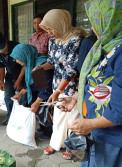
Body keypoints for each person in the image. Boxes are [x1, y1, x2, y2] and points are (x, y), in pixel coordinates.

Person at [59, 0, 122, 166]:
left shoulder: (120, 53)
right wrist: (75, 97)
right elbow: (98, 83)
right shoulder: (104, 47)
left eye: (95, 22)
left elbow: (120, 109)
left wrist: (91, 124)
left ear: (109, 21)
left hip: (113, 139)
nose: (93, 28)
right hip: (96, 131)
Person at [33, 9, 86, 159]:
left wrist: (57, 90)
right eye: (46, 29)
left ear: (60, 24)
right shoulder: (53, 40)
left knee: (73, 119)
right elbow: (51, 61)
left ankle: (73, 148)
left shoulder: (76, 39)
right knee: (59, 117)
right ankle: (56, 143)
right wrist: (40, 67)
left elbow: (71, 69)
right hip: (58, 84)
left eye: (51, 28)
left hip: (72, 87)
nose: (49, 32)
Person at [10, 43, 54, 139]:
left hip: (46, 93)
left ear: (26, 55)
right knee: (39, 111)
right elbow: (30, 83)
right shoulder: (30, 64)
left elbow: (45, 88)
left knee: (44, 111)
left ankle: (48, 133)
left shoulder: (40, 65)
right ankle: (43, 128)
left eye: (18, 58)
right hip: (39, 91)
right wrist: (21, 93)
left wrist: (37, 102)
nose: (17, 61)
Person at [0, 31, 26, 126]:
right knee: (8, 97)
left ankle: (23, 121)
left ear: (5, 39)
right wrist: (1, 81)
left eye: (1, 46)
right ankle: (10, 118)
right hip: (9, 75)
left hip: (23, 75)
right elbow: (0, 66)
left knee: (23, 99)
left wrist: (19, 80)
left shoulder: (17, 47)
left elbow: (25, 65)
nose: (1, 50)